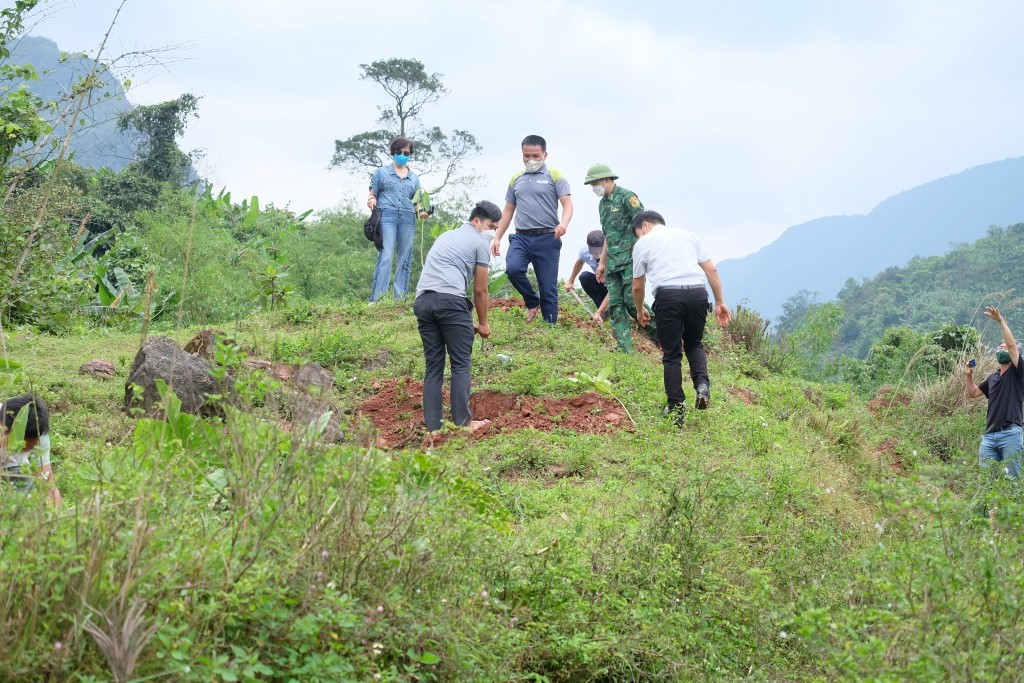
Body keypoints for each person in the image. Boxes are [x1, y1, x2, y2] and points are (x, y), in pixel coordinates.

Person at [631, 211, 731, 426]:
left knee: (672, 354)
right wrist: (720, 301)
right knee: (694, 343)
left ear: (645, 226)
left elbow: (638, 285)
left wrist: (640, 310)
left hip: (668, 296)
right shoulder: (688, 235)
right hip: (697, 293)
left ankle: (676, 408)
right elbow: (711, 269)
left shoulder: (643, 243)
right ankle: (702, 387)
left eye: (638, 233)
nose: (639, 237)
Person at [413, 200, 501, 433]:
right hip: (451, 302)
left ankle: (434, 428)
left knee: (434, 367)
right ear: (476, 222)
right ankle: (463, 423)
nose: (493, 232)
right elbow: (480, 290)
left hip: (423, 302)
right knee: (461, 363)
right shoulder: (479, 243)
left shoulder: (446, 236)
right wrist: (483, 323)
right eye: (491, 226)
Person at [490, 135, 573, 324]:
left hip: (547, 237)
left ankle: (549, 327)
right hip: (521, 237)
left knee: (548, 287)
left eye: (535, 156)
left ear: (545, 154)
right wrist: (497, 237)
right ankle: (531, 300)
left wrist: (564, 224)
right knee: (513, 269)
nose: (531, 160)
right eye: (526, 156)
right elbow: (508, 210)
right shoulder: (516, 178)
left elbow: (567, 204)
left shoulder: (555, 176)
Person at [584, 163, 657, 353]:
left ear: (607, 179)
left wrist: (645, 251)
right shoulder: (603, 205)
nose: (594, 187)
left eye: (596, 182)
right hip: (613, 262)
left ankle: (661, 334)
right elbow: (608, 235)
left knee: (632, 300)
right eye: (591, 184)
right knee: (616, 305)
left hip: (632, 257)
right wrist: (602, 263)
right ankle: (625, 349)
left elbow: (644, 224)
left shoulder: (627, 197)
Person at [367, 136, 429, 302]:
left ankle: (399, 300)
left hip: (408, 219)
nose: (403, 155)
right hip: (387, 216)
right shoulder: (382, 173)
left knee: (404, 258)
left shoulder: (414, 178)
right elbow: (372, 194)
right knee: (385, 256)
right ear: (393, 153)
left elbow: (417, 203)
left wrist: (422, 212)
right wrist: (372, 200)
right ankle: (377, 300)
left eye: (406, 153)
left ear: (410, 155)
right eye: (399, 152)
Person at [966, 306, 1024, 478]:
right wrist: (968, 376)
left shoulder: (1018, 371)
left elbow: (1012, 346)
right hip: (990, 436)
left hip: (1011, 433)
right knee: (986, 481)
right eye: (1000, 347)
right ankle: (990, 507)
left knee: (1011, 480)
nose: (1002, 349)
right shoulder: (993, 377)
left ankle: (1011, 506)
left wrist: (1001, 321)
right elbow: (974, 393)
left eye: (1005, 347)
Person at [1, 393, 61, 504]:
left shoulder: (38, 433)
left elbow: (48, 485)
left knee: (27, 498)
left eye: (26, 450)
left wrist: (54, 517)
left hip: (12, 467)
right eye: (16, 447)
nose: (19, 452)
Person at [564, 230, 609, 321]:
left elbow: (614, 289)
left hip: (616, 289)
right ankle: (604, 311)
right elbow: (580, 262)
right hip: (602, 283)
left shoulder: (613, 255)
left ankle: (603, 311)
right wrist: (571, 280)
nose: (597, 255)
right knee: (584, 277)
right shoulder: (585, 251)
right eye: (594, 252)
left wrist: (598, 312)